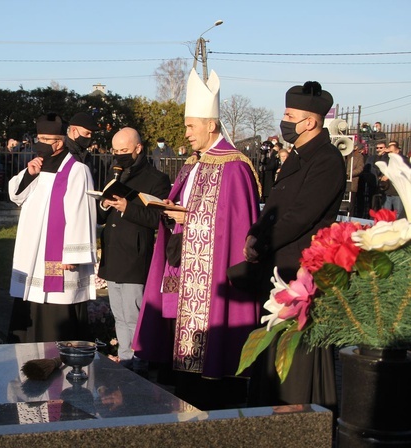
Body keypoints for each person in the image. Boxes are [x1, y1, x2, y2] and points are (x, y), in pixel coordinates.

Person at [131, 69, 261, 410]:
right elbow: (190, 207)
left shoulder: (235, 167)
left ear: (211, 126)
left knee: (209, 369)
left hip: (210, 275)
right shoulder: (192, 163)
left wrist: (188, 218)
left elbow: (234, 226)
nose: (186, 133)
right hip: (182, 267)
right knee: (180, 359)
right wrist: (171, 210)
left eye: (191, 126)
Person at [244, 81, 345, 410]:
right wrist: (255, 231)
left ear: (311, 122)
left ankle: (296, 416)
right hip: (278, 266)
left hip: (301, 269)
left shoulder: (327, 160)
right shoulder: (298, 156)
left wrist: (261, 242)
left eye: (289, 115)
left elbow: (301, 215)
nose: (284, 121)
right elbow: (274, 204)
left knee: (296, 355)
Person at [8, 113, 97, 342]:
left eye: (45, 139)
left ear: (58, 142)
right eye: (38, 138)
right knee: (31, 298)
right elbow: (15, 195)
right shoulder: (36, 165)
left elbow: (81, 212)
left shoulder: (76, 170)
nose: (40, 144)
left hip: (58, 256)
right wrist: (29, 174)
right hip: (32, 251)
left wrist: (73, 253)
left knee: (56, 300)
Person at [97, 127, 171, 371]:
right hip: (114, 252)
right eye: (115, 151)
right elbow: (101, 215)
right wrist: (105, 204)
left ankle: (138, 362)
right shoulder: (115, 172)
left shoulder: (156, 179)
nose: (119, 156)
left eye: (124, 151)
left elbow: (155, 218)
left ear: (138, 148)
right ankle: (124, 357)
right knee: (119, 315)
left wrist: (127, 207)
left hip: (135, 254)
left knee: (133, 315)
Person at [380, 141, 408, 218]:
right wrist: (383, 153)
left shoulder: (403, 160)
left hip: (397, 192)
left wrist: (389, 175)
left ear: (397, 151)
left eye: (392, 151)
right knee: (385, 214)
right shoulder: (387, 158)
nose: (390, 153)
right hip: (387, 191)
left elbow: (402, 172)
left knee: (398, 214)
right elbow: (378, 165)